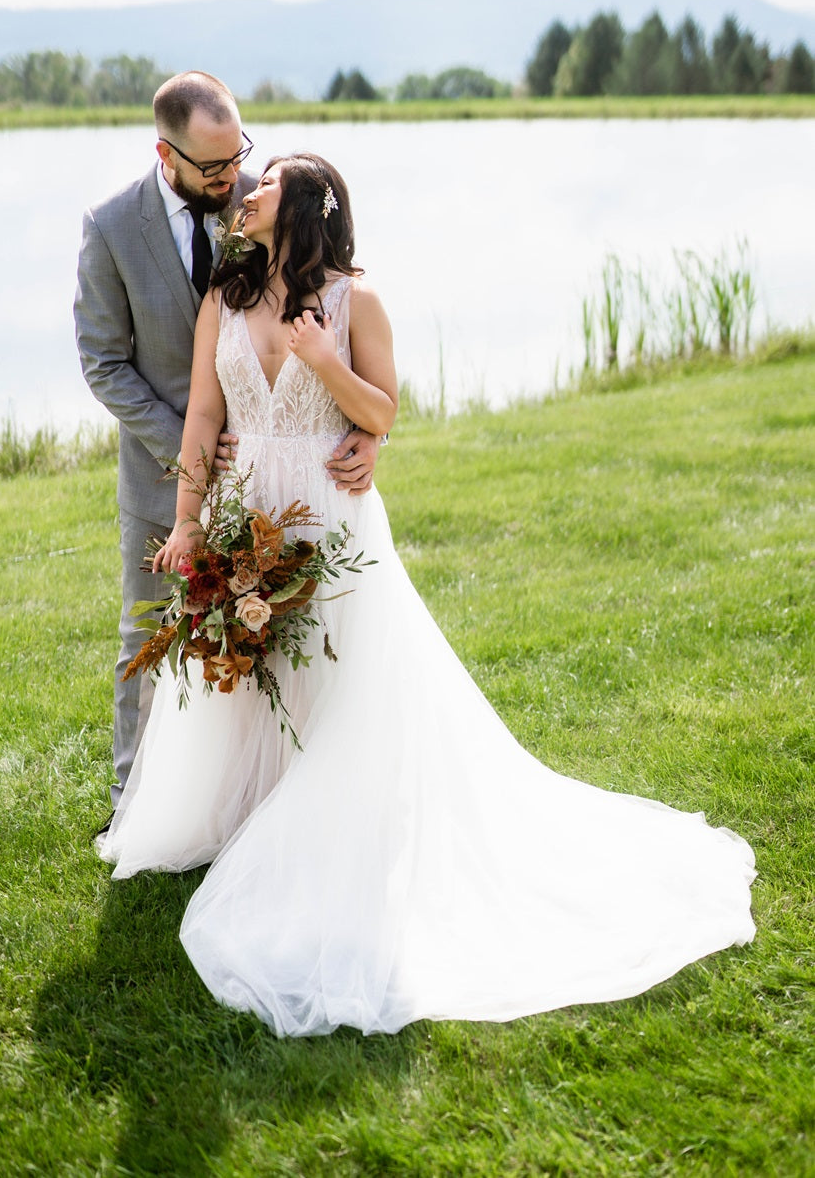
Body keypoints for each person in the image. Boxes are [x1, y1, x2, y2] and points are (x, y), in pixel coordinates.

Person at [98, 153, 756, 1039]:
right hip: (242, 501)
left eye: (266, 183)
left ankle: (327, 826)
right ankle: (251, 816)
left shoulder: (355, 302)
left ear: (304, 206)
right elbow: (205, 420)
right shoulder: (225, 294)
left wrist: (326, 362)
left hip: (329, 518)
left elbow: (383, 414)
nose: (247, 192)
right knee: (248, 670)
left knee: (336, 675)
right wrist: (185, 524)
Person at [73, 73, 378, 811]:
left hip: (286, 475)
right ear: (165, 153)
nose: (232, 177)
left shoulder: (273, 202)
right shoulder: (112, 226)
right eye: (213, 167)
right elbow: (102, 362)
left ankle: (263, 797)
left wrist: (366, 432)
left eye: (238, 156)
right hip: (166, 468)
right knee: (150, 633)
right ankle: (135, 797)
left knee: (284, 640)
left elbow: (334, 327)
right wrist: (195, 449)